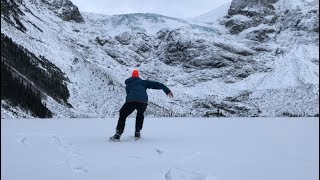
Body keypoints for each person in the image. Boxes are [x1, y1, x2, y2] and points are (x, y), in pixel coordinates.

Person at [110, 69, 173, 141]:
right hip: (142, 102)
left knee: (122, 114)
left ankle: (118, 133)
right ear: (138, 76)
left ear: (132, 76)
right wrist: (166, 90)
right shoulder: (143, 82)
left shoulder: (128, 84)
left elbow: (128, 94)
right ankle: (137, 132)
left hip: (131, 101)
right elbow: (157, 84)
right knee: (140, 114)